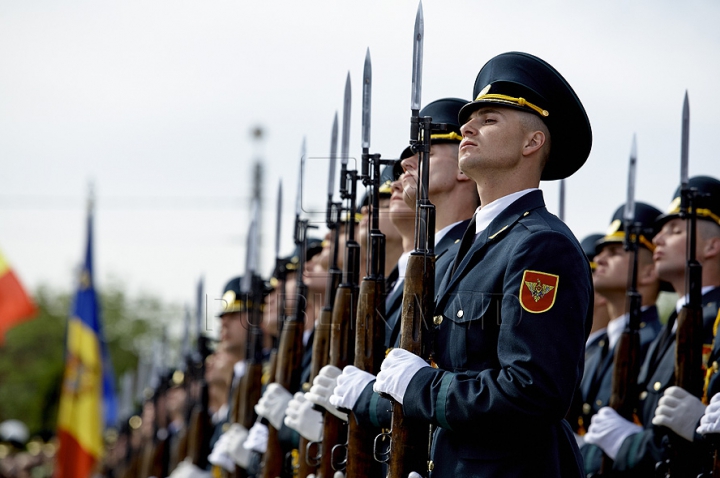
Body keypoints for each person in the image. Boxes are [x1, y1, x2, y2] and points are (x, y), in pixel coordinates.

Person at [372, 51, 594, 477]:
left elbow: (533, 390)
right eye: (469, 120)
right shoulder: (474, 247)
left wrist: (423, 388)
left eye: (490, 120)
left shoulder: (541, 247)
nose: (468, 126)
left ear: (533, 142)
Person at [323, 98, 481, 433]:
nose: (405, 162)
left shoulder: (465, 261)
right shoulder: (431, 263)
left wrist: (367, 401)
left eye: (427, 150)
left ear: (464, 167)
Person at [585, 175, 720, 476]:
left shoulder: (710, 322)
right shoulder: (672, 328)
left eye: (673, 230)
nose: (659, 238)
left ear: (712, 246)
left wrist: (629, 446)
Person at [577, 203, 664, 472]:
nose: (600, 259)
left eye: (615, 252)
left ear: (650, 272)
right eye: (601, 251)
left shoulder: (652, 341)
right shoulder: (602, 347)